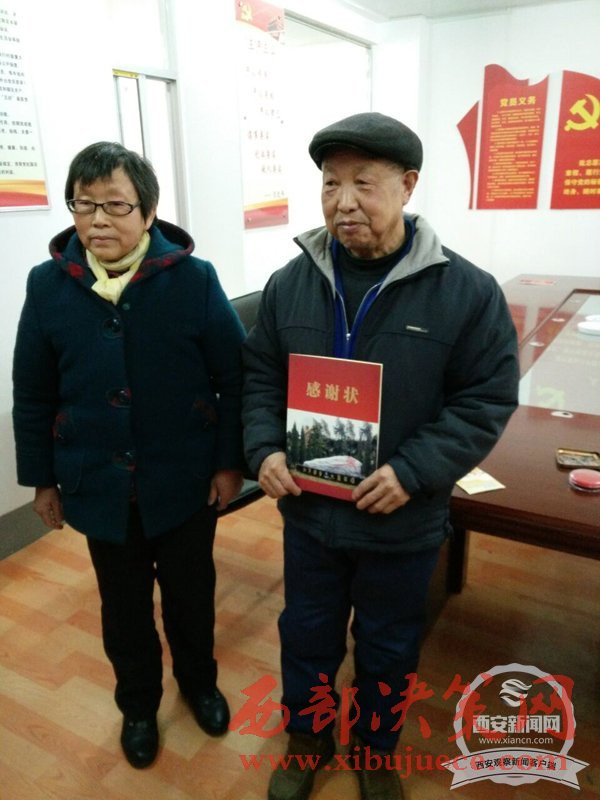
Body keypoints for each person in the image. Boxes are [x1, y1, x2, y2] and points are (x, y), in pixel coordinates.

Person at [242, 112, 520, 800]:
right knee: (306, 635)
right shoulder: (291, 283)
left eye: (363, 183)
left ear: (408, 185)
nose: (343, 202)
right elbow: (261, 377)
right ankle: (308, 740)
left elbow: (485, 398)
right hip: (310, 513)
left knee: (390, 645)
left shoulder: (467, 292)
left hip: (402, 519)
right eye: (330, 184)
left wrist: (414, 470)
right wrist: (264, 448)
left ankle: (374, 749)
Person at [12, 142, 246, 769]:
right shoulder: (48, 285)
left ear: (148, 211)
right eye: (84, 204)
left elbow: (234, 376)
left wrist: (229, 463)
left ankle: (199, 683)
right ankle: (138, 704)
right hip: (98, 482)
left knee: (191, 595)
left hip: (185, 480)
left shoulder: (193, 280)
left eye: (116, 205)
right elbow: (32, 391)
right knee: (123, 607)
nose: (98, 220)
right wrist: (42, 480)